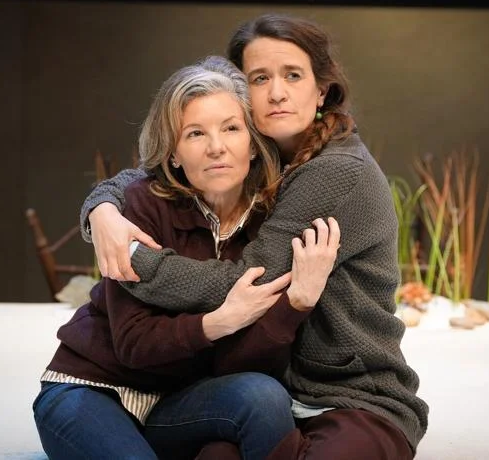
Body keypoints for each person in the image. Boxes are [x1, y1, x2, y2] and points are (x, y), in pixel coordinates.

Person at [81, 13, 429, 458]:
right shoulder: (270, 156)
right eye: (260, 78)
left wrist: (134, 258)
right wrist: (103, 208)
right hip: (274, 390)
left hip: (354, 394)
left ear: (321, 90)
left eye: (293, 75)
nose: (277, 92)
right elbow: (159, 171)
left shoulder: (334, 170)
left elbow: (246, 281)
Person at [33, 55, 341, 459]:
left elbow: (255, 360)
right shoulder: (141, 206)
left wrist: (295, 305)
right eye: (195, 134)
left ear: (253, 143)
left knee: (264, 396)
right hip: (94, 387)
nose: (216, 148)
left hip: (177, 402)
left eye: (231, 128)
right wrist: (219, 322)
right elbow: (132, 345)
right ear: (174, 154)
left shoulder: (275, 220)